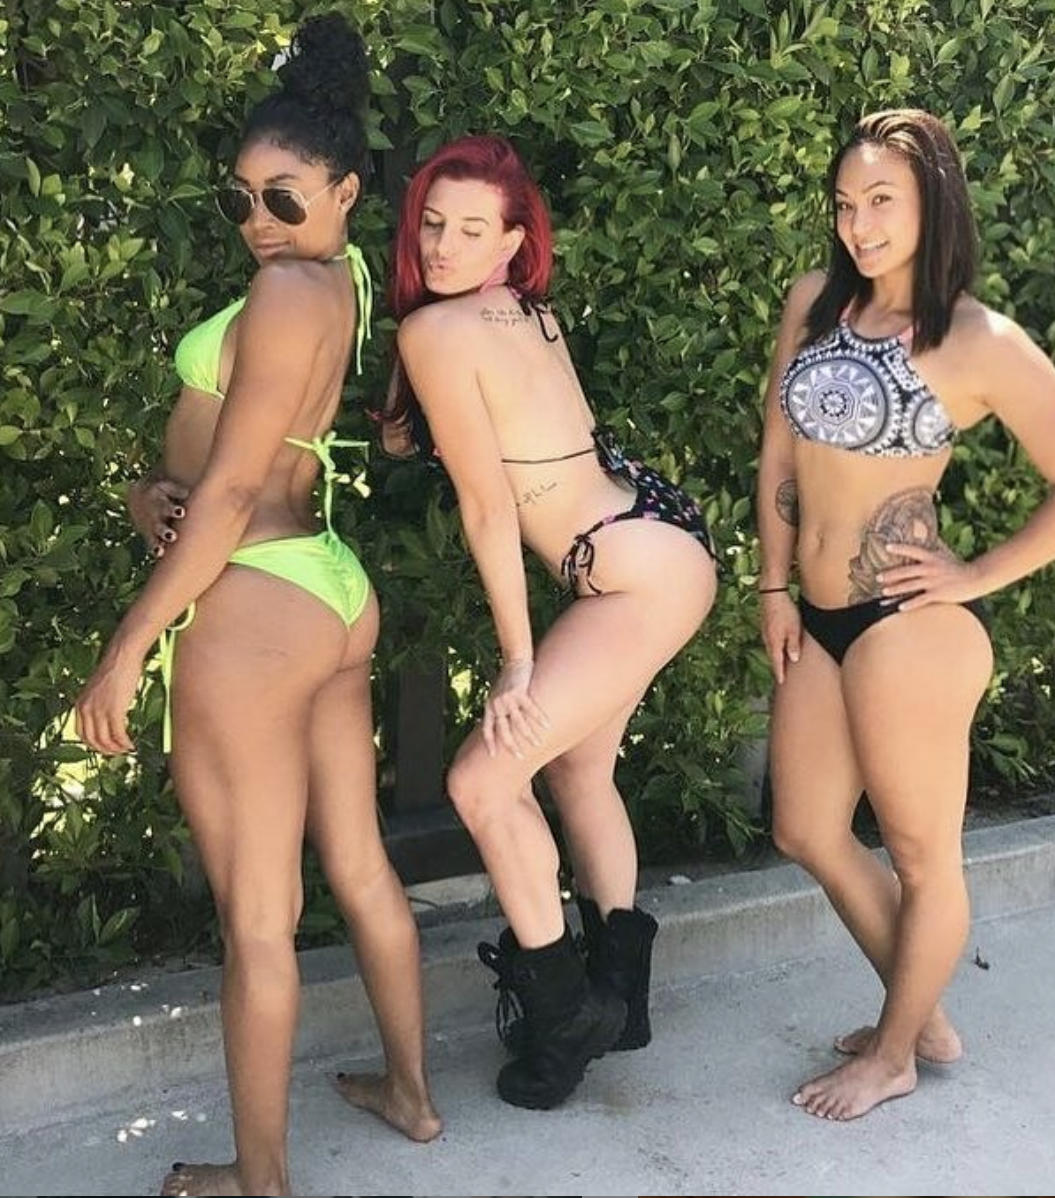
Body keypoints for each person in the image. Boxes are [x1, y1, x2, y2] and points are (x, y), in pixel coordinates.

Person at [74, 14, 441, 1194]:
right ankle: (412, 1096)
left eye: (283, 198)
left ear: (344, 192)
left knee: (258, 920)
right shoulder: (336, 280)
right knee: (361, 865)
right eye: (240, 199)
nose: (258, 222)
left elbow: (232, 491)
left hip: (256, 602)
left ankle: (260, 1176)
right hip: (324, 587)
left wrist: (127, 646)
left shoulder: (285, 291)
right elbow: (226, 467)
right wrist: (149, 493)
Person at [756, 108, 1055, 1122]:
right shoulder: (813, 303)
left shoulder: (976, 339)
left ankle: (894, 1053)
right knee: (805, 828)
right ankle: (921, 1017)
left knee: (922, 859)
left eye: (882, 201)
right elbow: (778, 454)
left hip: (907, 623)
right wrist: (774, 586)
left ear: (933, 204)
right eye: (845, 204)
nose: (860, 224)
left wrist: (977, 573)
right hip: (818, 616)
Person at [380, 133, 718, 1110]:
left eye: (470, 229)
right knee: (577, 771)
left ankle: (566, 1019)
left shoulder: (436, 332)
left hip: (630, 577)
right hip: (657, 540)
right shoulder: (528, 311)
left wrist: (518, 660)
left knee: (482, 779)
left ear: (511, 241)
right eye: (432, 224)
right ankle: (623, 999)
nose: (444, 245)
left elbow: (490, 508)